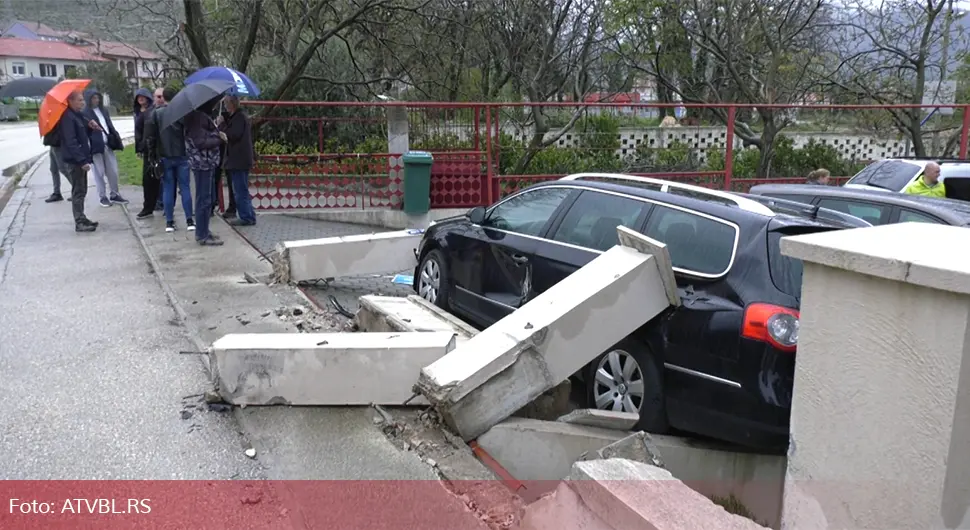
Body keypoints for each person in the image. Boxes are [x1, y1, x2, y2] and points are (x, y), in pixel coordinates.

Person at [145, 86, 194, 233]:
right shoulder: (182, 113)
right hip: (182, 155)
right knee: (185, 188)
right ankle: (189, 220)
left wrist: (152, 155)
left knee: (167, 188)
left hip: (165, 156)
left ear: (163, 98)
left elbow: (151, 137)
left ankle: (169, 222)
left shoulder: (156, 114)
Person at [183, 103, 225, 246]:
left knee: (205, 198)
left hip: (204, 162)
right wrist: (219, 138)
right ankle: (202, 234)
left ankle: (204, 230)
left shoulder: (198, 117)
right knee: (203, 199)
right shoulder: (197, 118)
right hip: (202, 163)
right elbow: (201, 142)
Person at [59, 91, 98, 232]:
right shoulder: (67, 117)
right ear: (70, 101)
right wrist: (82, 161)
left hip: (80, 159)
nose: (83, 103)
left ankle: (82, 217)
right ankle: (79, 221)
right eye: (79, 100)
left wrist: (90, 126)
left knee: (82, 190)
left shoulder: (77, 115)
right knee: (78, 191)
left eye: (83, 100)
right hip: (75, 161)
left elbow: (82, 135)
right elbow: (71, 142)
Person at [83, 90, 128, 207]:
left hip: (107, 144)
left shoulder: (103, 110)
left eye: (97, 98)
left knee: (112, 170)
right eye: (93, 98)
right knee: (99, 172)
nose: (96, 100)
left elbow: (109, 125)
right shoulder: (85, 113)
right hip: (95, 147)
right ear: (89, 99)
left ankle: (114, 193)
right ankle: (102, 196)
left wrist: (114, 137)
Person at [217, 95, 256, 226]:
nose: (226, 106)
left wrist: (221, 125)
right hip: (238, 159)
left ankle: (246, 217)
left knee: (240, 190)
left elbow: (233, 135)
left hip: (239, 159)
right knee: (241, 189)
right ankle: (249, 215)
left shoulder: (239, 117)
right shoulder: (237, 117)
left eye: (227, 103)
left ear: (232, 104)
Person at [133, 88, 159, 219]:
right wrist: (139, 149)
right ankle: (149, 205)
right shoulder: (138, 112)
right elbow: (138, 132)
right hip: (145, 148)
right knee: (149, 178)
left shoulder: (152, 111)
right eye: (138, 97)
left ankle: (152, 205)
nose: (140, 99)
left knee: (153, 177)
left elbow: (148, 132)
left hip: (152, 148)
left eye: (143, 97)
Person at [211, 106, 236, 219]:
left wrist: (219, 126)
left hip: (225, 155)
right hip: (220, 155)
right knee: (215, 179)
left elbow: (228, 135)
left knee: (230, 182)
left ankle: (231, 206)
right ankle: (215, 202)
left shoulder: (233, 119)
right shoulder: (218, 114)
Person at [43, 123, 69, 203]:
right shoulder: (50, 115)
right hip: (53, 143)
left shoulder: (58, 114)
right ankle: (57, 192)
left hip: (58, 143)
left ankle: (78, 189)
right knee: (53, 169)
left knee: (62, 168)